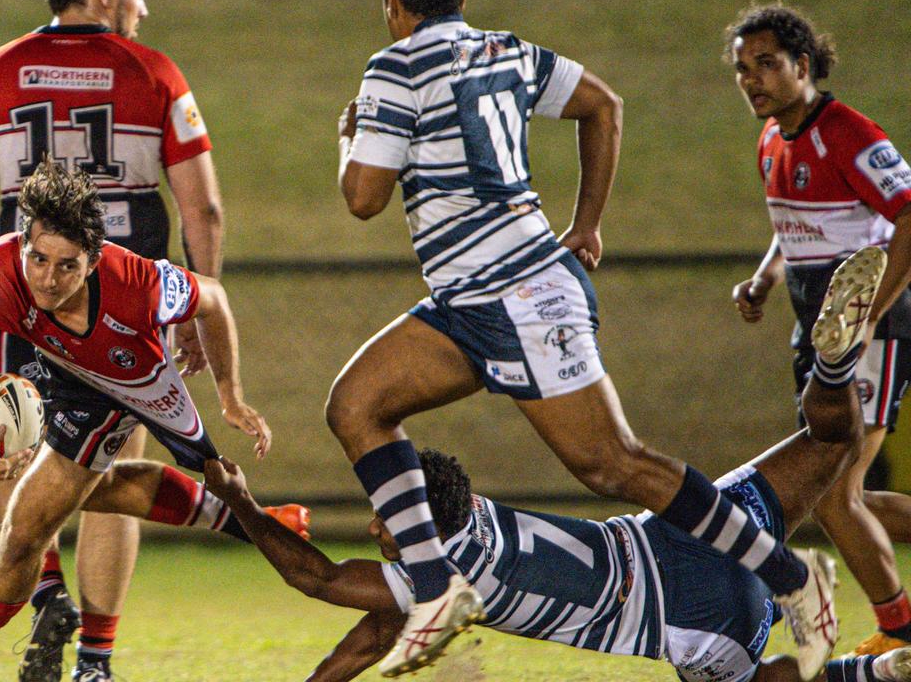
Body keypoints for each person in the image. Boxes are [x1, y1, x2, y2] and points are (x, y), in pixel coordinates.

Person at [331, 0, 844, 676]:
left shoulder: (390, 67)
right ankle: (434, 591)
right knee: (357, 405)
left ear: (392, 3)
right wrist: (587, 225)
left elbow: (363, 198)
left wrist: (348, 137)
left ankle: (792, 577)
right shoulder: (505, 49)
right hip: (471, 301)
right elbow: (602, 103)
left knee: (613, 464)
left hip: (514, 294)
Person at [208, 249, 902, 682]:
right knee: (830, 438)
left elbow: (319, 579)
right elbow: (371, 634)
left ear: (414, 518)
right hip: (698, 524)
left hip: (696, 616)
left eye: (384, 523)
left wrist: (238, 504)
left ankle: (867, 676)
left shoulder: (439, 572)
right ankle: (836, 364)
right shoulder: (472, 520)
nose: (377, 530)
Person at [0, 0, 227, 678]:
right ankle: (95, 660)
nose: (142, 8)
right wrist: (199, 302)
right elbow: (204, 208)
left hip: (22, 294)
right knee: (113, 469)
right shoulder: (154, 73)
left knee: (1, 435)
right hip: (125, 300)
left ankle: (45, 596)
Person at [0, 160, 269, 682]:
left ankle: (260, 529)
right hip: (78, 382)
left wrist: (230, 397)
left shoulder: (138, 282)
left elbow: (213, 298)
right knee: (24, 530)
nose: (48, 279)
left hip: (141, 380)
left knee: (189, 480)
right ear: (22, 243)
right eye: (38, 259)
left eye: (67, 266)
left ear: (94, 261)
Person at [727, 3, 911, 656]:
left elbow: (909, 213)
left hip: (871, 333)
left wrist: (871, 316)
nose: (752, 79)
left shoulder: (849, 133)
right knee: (846, 495)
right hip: (815, 334)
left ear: (803, 66)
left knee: (833, 497)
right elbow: (792, 230)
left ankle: (901, 631)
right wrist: (763, 281)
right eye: (743, 68)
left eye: (767, 64)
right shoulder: (771, 141)